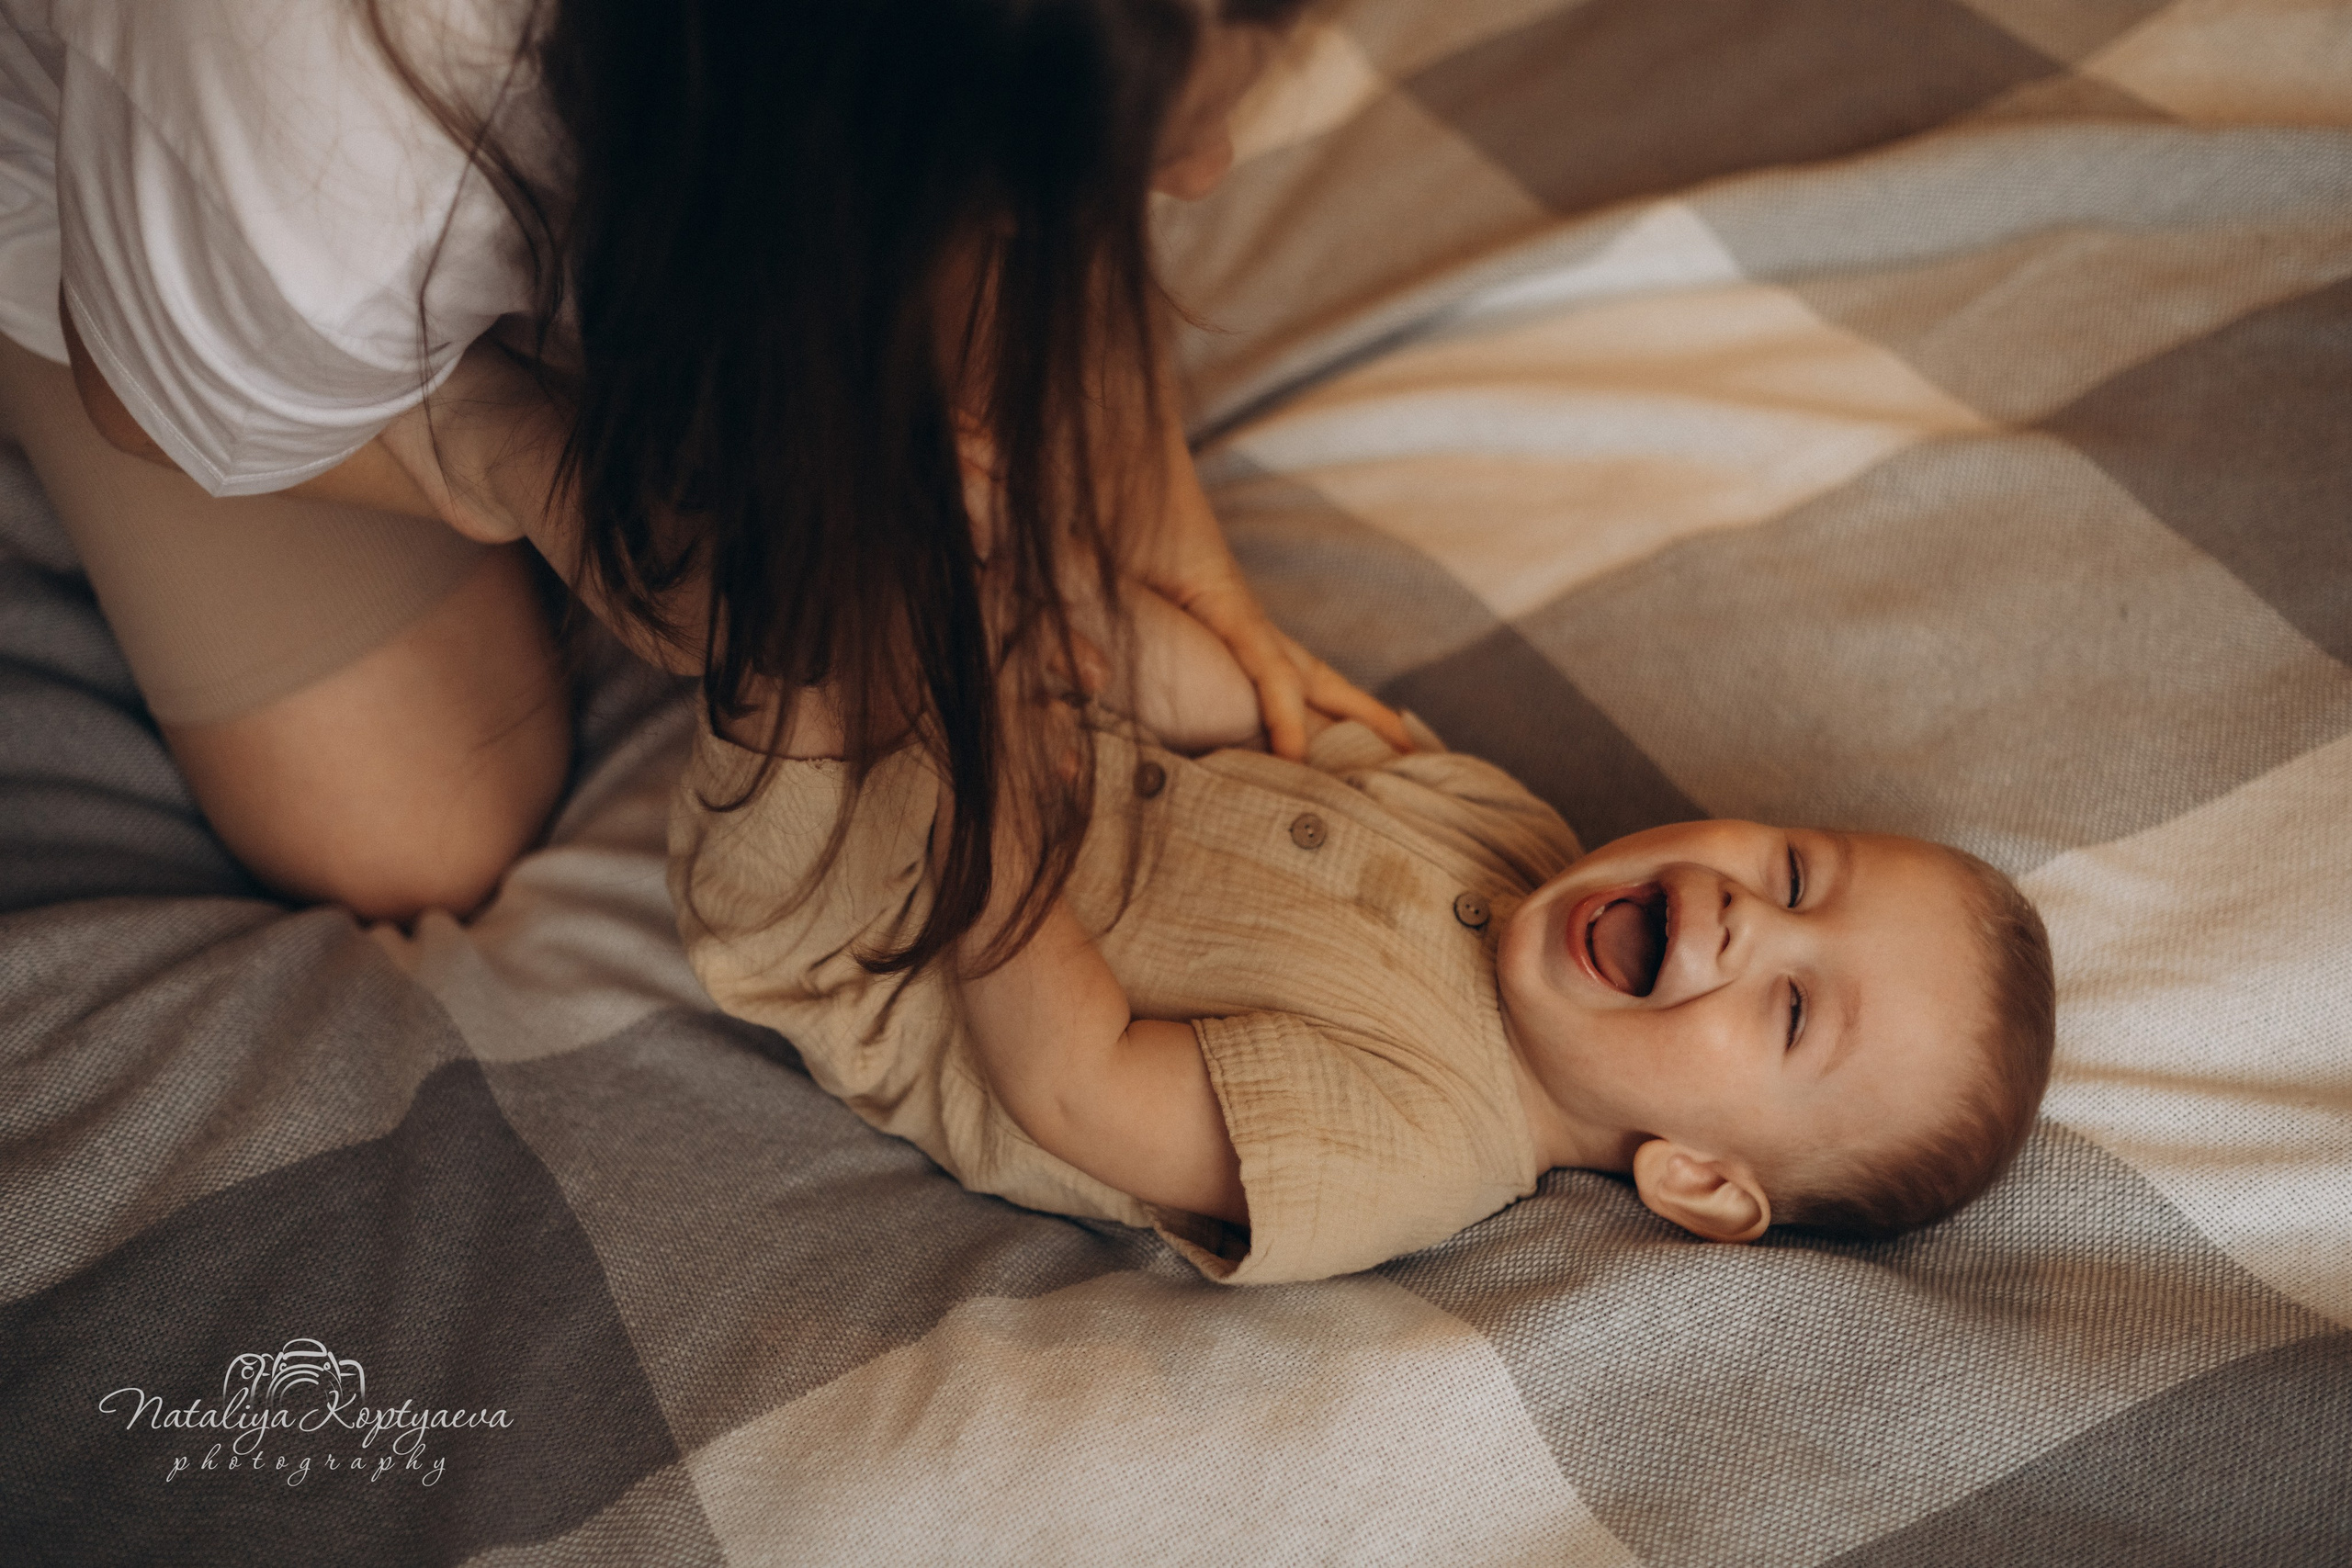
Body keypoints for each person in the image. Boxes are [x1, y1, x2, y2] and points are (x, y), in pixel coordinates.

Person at [0, 0, 1401, 926]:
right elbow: (149, 402)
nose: (1209, 174)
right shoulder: (316, 190)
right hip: (113, 216)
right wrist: (528, 472)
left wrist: (1152, 499)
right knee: (410, 830)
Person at [671, 583, 2059, 1284]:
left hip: (860, 906)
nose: (1753, 921)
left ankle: (546, 453)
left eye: (1794, 1013)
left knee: (787, 593)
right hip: (1010, 726)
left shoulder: (1418, 1143)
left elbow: (1077, 1083)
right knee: (937, 502)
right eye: (1800, 873)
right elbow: (1251, 710)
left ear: (1700, 1180)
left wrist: (992, 782)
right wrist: (1057, 609)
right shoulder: (1515, 836)